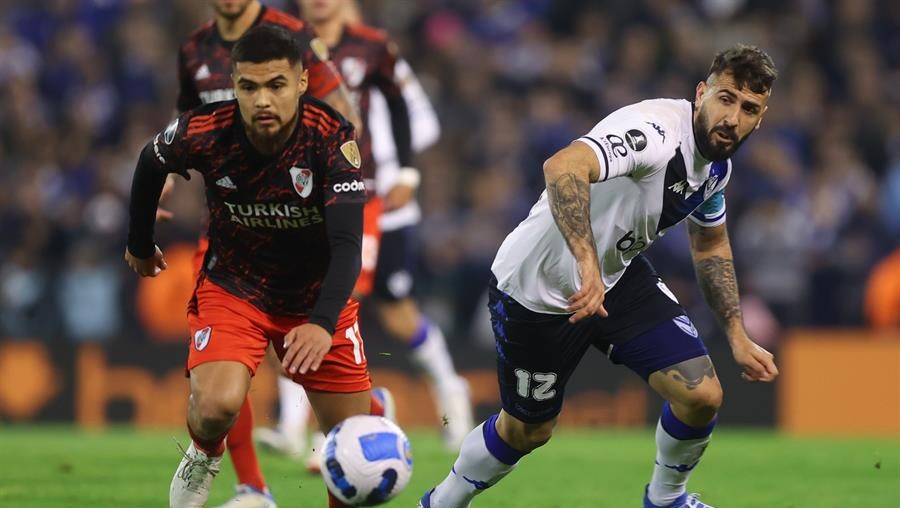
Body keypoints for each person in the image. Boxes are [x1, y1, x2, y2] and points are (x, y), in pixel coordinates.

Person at [418, 44, 780, 508]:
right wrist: (587, 262)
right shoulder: (653, 133)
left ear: (760, 117)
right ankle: (441, 502)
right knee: (528, 430)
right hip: (537, 289)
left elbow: (710, 243)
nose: (732, 117)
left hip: (615, 276)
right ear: (701, 92)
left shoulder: (716, 168)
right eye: (726, 99)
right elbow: (563, 166)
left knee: (702, 394)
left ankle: (666, 499)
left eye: (748, 108)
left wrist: (736, 334)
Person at [126, 24, 377, 508]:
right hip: (235, 286)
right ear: (235, 85)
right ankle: (203, 453)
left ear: (302, 83)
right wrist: (139, 243)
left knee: (351, 450)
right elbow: (150, 160)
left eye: (276, 85)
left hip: (314, 295)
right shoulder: (207, 128)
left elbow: (348, 244)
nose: (263, 100)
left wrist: (322, 324)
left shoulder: (331, 138)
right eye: (249, 87)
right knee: (216, 405)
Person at [257, 0, 472, 468]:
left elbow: (416, 117)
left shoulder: (373, 49)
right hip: (307, 194)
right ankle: (301, 426)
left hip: (373, 197)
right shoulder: (285, 46)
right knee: (298, 302)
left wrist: (403, 174)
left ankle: (439, 389)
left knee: (384, 311)